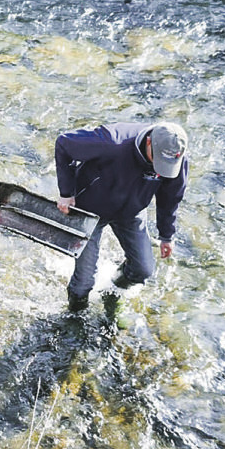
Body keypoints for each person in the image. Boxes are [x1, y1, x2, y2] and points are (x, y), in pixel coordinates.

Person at [54, 122, 189, 316]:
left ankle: (112, 294)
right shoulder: (111, 142)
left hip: (131, 213)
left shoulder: (176, 158)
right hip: (89, 212)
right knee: (84, 281)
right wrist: (66, 192)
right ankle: (75, 315)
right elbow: (63, 144)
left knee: (143, 269)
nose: (160, 168)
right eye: (158, 160)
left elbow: (171, 197)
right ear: (149, 142)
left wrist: (167, 235)